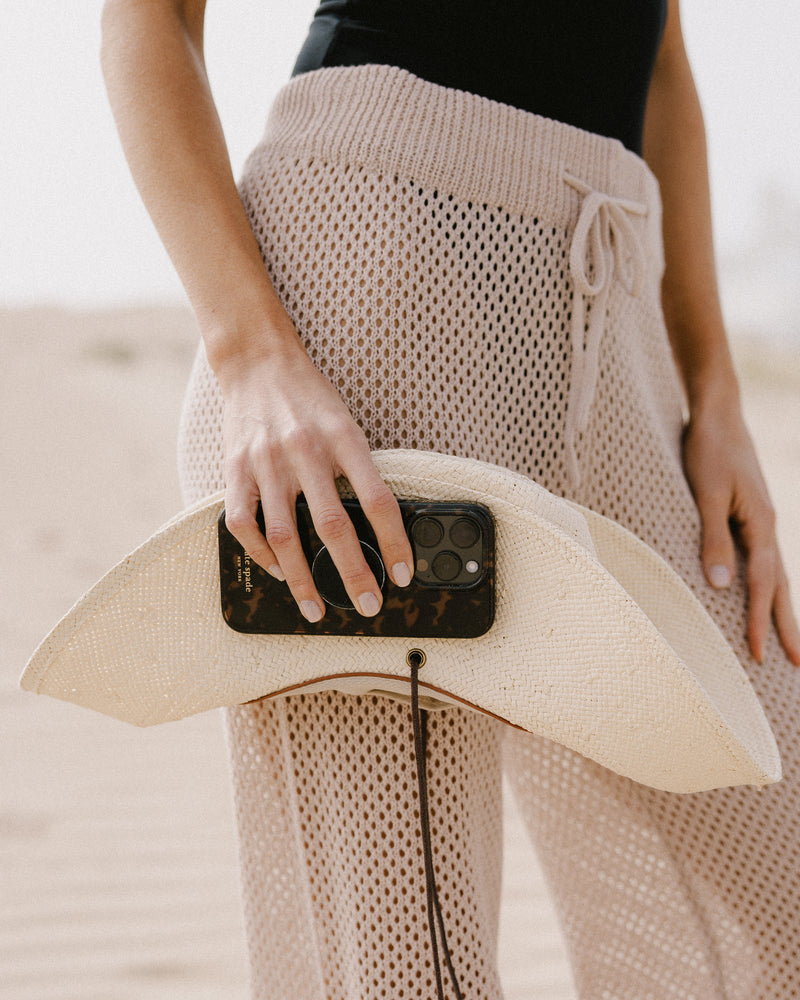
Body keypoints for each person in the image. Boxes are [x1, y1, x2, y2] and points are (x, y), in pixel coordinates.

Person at [100, 1, 800, 996]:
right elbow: (146, 18)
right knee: (409, 973)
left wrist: (714, 388)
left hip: (616, 330)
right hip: (369, 313)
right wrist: (250, 354)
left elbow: (662, 55)